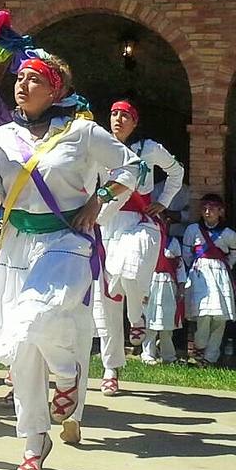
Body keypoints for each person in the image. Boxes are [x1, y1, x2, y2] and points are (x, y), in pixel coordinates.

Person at [0, 52, 139, 470]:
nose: (22, 86)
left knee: (36, 317)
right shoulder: (1, 136)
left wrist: (100, 201)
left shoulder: (81, 132)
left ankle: (66, 374)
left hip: (67, 239)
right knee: (22, 348)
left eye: (33, 80)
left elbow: (131, 166)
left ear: (55, 89)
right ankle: (33, 440)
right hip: (17, 245)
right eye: (19, 79)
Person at [92, 99, 185, 395]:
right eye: (114, 113)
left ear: (135, 122)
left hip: (139, 222)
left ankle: (137, 318)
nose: (118, 119)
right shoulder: (97, 146)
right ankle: (110, 369)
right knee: (106, 300)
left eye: (125, 115)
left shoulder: (148, 148)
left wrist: (164, 201)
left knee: (131, 271)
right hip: (106, 224)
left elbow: (177, 172)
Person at [182, 193, 236, 366]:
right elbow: (186, 253)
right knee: (203, 313)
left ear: (220, 211)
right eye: (205, 209)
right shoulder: (192, 230)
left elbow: (235, 254)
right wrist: (196, 266)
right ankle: (199, 349)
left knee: (219, 317)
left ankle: (211, 356)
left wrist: (223, 267)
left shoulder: (229, 234)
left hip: (220, 276)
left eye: (212, 209)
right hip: (200, 274)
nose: (208, 212)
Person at [141, 232, 186, 365]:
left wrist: (182, 287)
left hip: (169, 283)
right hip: (151, 281)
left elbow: (179, 265)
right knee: (150, 319)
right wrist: (142, 289)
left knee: (167, 322)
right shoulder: (147, 239)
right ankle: (148, 354)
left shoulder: (173, 242)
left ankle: (169, 356)